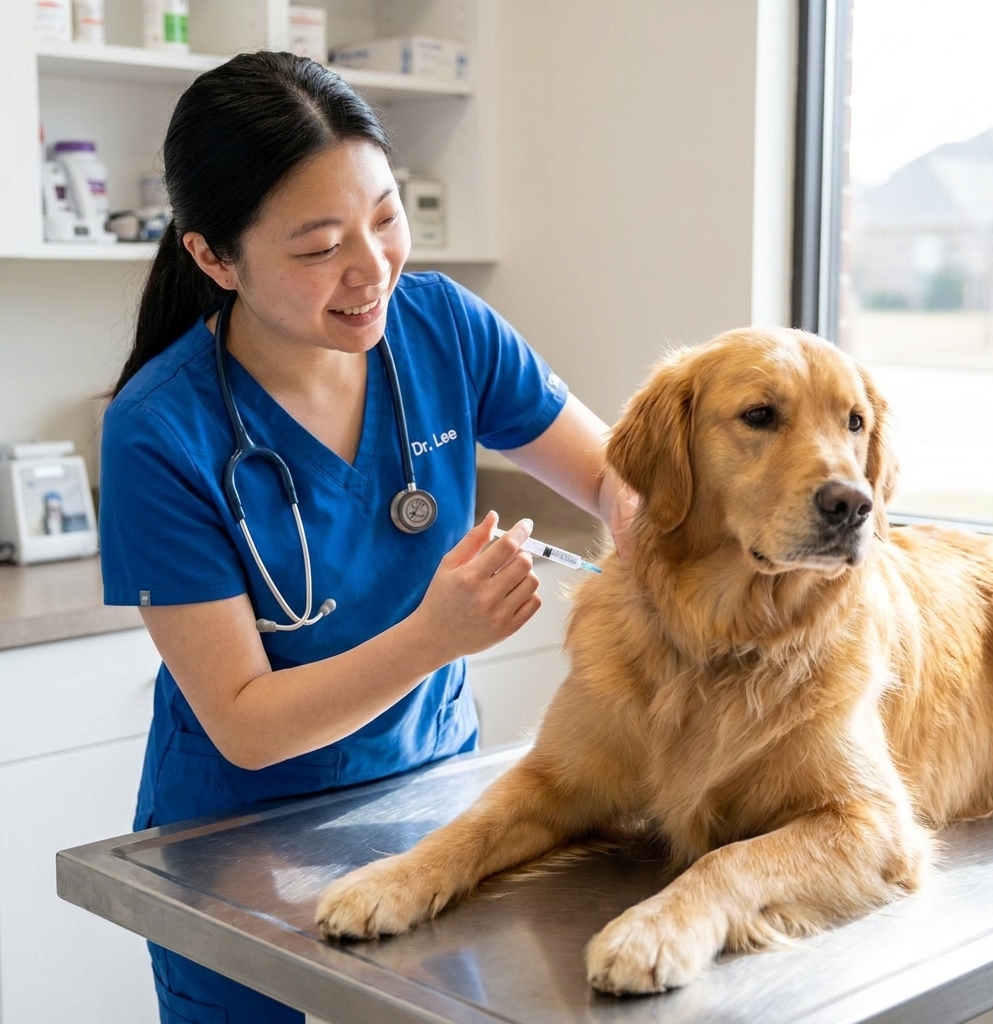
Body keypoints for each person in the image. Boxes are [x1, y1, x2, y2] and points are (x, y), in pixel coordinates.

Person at [100, 50, 635, 1023]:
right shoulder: (159, 429)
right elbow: (245, 722)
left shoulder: (442, 327)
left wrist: (646, 519)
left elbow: (606, 473)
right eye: (316, 249)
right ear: (214, 258)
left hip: (431, 818)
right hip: (239, 842)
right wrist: (435, 636)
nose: (371, 269)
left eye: (385, 218)